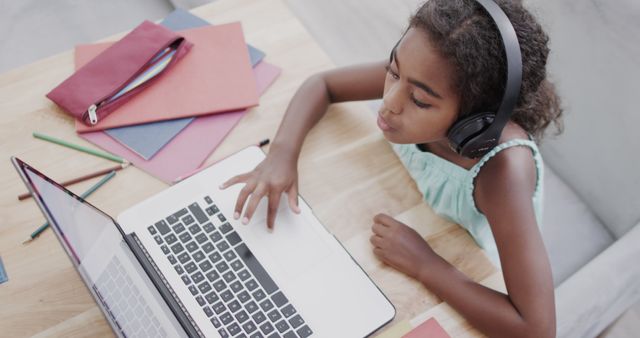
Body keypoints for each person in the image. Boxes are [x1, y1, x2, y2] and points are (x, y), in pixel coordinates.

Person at [221, 0, 562, 336]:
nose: (389, 103)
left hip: (472, 265)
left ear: (474, 123)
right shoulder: (420, 73)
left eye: (419, 101)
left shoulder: (503, 173)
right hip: (405, 207)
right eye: (393, 72)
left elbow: (536, 328)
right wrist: (281, 154)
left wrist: (424, 264)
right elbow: (322, 84)